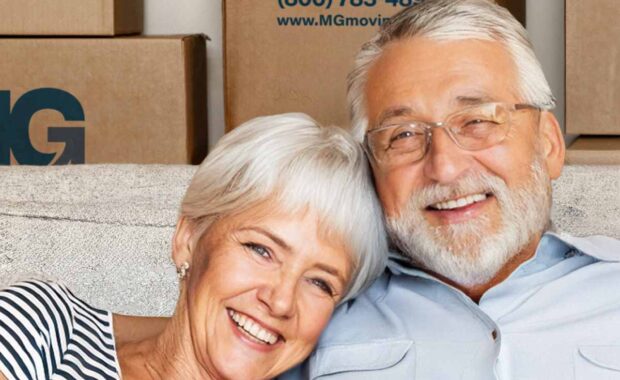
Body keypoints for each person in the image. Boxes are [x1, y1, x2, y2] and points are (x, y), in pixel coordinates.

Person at [282, 0, 620, 378]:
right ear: (371, 168)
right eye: (404, 135)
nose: (444, 167)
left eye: (477, 120)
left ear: (549, 144)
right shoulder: (311, 313)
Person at [0, 114, 387, 380]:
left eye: (320, 283)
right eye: (261, 250)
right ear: (188, 238)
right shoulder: (45, 327)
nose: (282, 301)